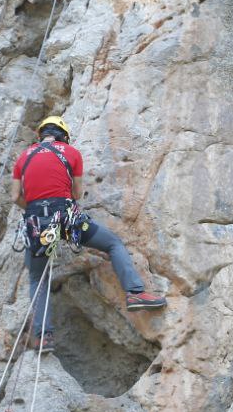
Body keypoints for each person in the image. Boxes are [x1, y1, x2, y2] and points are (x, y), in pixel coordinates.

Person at [12, 116, 165, 352]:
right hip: (66, 218)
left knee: (37, 277)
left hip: (37, 225)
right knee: (113, 243)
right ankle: (135, 294)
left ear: (40, 134)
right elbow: (77, 191)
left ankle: (43, 337)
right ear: (63, 135)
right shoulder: (71, 153)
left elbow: (15, 197)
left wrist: (37, 212)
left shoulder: (23, 157)